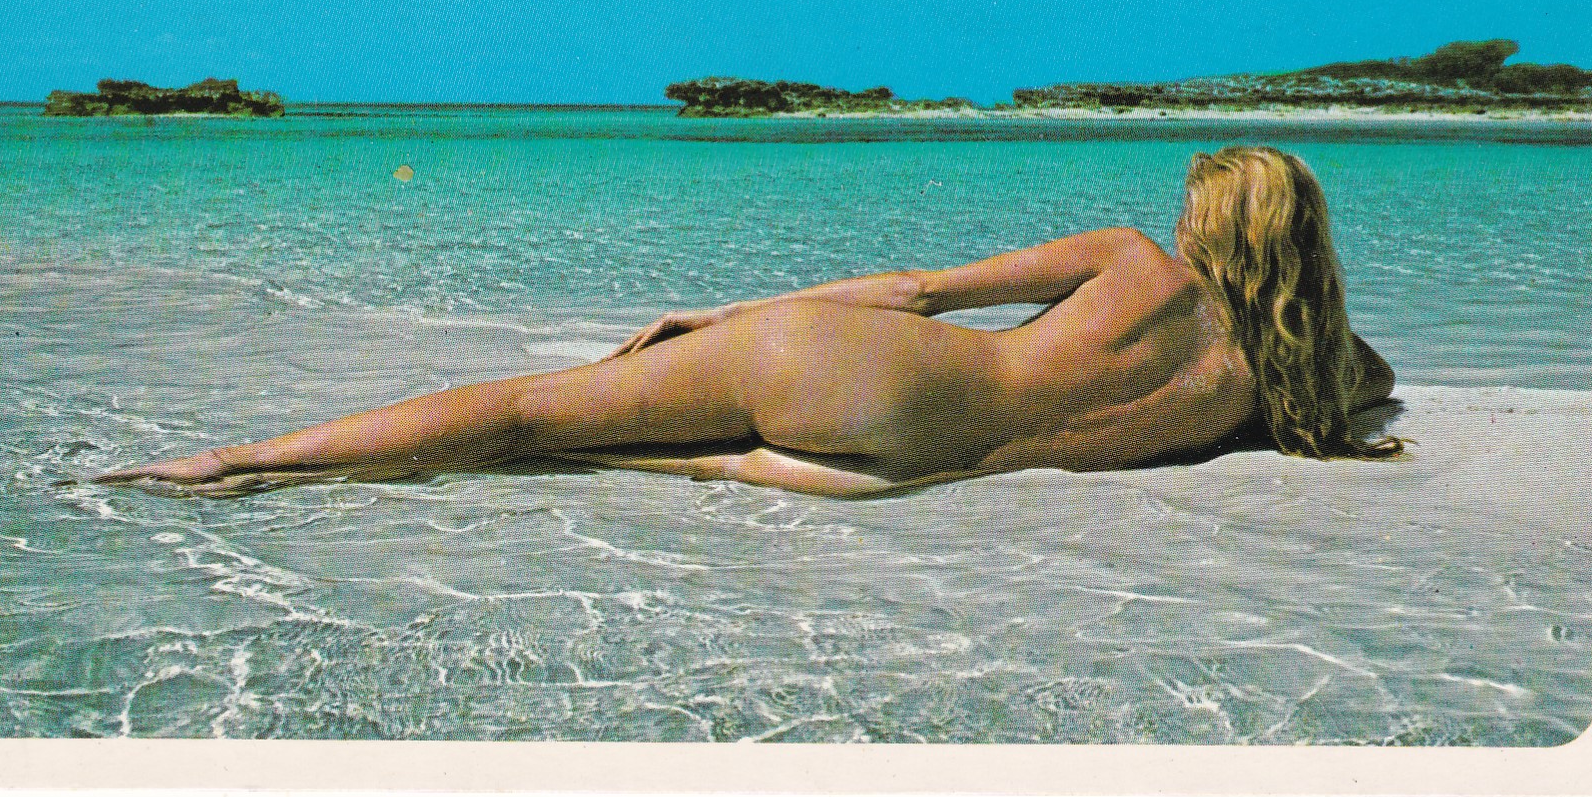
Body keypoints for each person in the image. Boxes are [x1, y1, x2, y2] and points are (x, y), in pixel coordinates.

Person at [97, 145, 1400, 499]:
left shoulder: (1130, 263)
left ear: (1209, 221)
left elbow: (916, 293)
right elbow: (1365, 378)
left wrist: (725, 313)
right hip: (893, 471)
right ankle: (272, 468)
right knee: (577, 451)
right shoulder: (1275, 386)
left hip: (869, 372)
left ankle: (236, 459)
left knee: (531, 409)